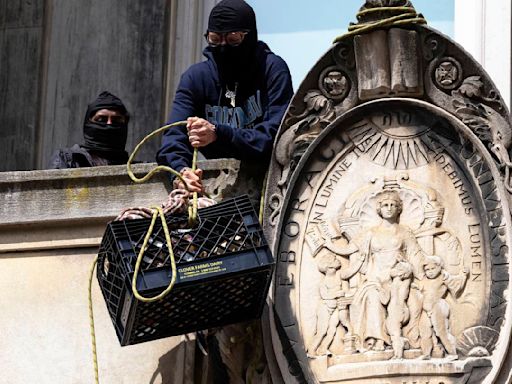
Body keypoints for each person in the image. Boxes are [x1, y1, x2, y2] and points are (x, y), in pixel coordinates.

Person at [156, 0, 293, 199]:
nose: (223, 46)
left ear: (249, 35)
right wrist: (181, 172)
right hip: (215, 188)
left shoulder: (272, 69)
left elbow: (276, 136)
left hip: (268, 187)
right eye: (214, 39)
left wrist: (218, 134)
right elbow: (173, 136)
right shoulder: (195, 78)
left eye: (233, 39)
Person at [49, 91, 130, 168]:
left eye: (116, 120)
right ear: (88, 123)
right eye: (101, 120)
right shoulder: (68, 159)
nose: (109, 124)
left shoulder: (134, 170)